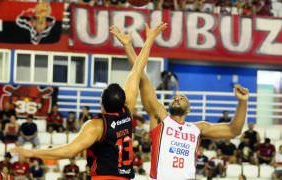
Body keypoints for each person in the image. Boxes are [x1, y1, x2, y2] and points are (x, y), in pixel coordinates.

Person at [12, 22, 167, 180]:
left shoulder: (96, 125)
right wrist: (148, 40)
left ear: (101, 103)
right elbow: (137, 69)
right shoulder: (127, 112)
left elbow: (69, 151)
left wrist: (32, 152)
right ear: (123, 101)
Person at [111, 25, 249, 179]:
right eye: (175, 98)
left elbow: (233, 130)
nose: (177, 98)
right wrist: (128, 46)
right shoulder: (160, 118)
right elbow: (141, 77)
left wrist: (243, 102)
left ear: (188, 110)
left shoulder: (197, 128)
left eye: (182, 98)